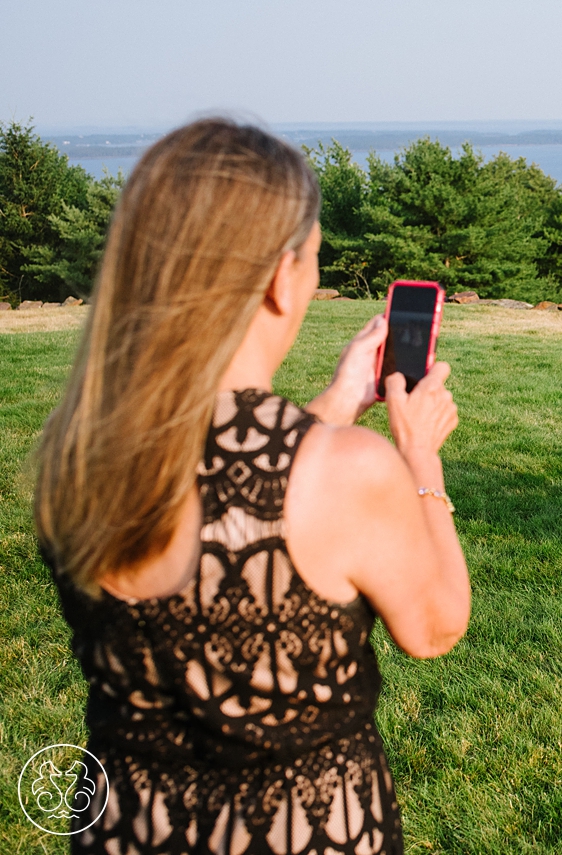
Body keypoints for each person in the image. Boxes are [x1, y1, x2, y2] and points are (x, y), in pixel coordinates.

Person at [33, 119, 470, 854]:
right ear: (277, 275)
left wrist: (333, 402)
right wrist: (419, 455)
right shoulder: (347, 471)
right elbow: (434, 625)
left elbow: (217, 484)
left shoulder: (72, 449)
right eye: (315, 260)